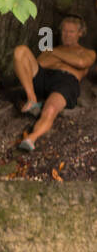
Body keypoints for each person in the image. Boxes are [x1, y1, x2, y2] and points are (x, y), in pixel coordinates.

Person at [13, 15, 95, 152]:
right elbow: (40, 63)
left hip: (66, 82)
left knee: (50, 109)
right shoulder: (51, 50)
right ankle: (31, 98)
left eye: (71, 32)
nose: (67, 35)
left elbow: (81, 63)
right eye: (64, 31)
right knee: (20, 51)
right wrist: (63, 56)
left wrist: (55, 52)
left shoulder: (87, 52)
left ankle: (31, 138)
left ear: (80, 33)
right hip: (45, 77)